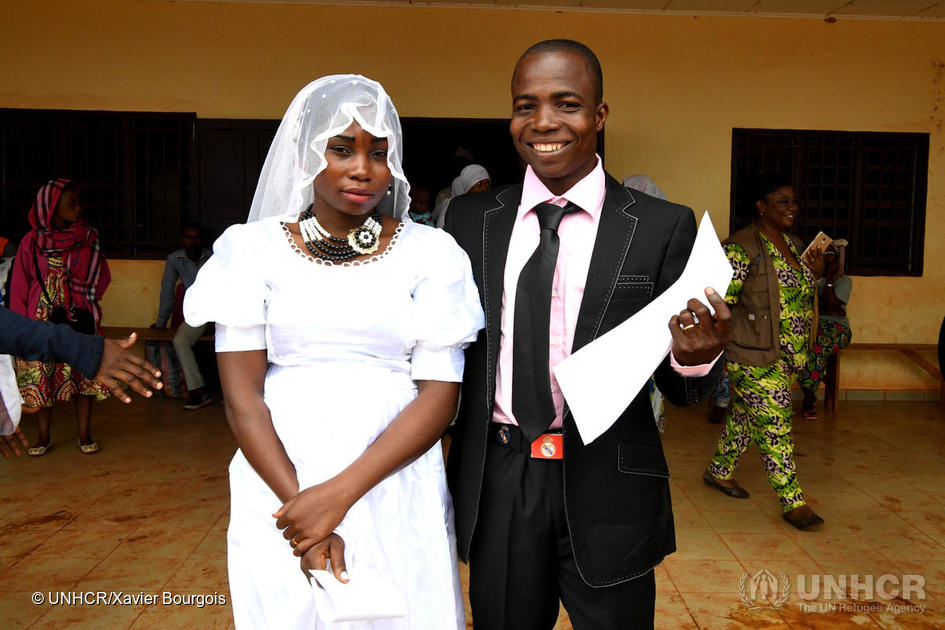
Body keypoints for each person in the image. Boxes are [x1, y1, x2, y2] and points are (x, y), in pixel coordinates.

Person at [444, 40, 730, 630]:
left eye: (566, 104)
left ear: (599, 115)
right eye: (527, 105)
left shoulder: (658, 226)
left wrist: (695, 360)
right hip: (499, 478)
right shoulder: (470, 221)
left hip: (611, 482)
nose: (544, 122)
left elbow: (682, 392)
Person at [184, 75, 483, 629]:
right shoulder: (250, 251)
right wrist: (306, 510)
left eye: (379, 153)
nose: (363, 169)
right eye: (341, 149)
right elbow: (243, 398)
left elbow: (439, 397)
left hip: (393, 473)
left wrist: (339, 496)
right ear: (305, 154)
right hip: (280, 476)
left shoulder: (432, 254)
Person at [703, 173, 826, 530]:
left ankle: (719, 471)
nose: (792, 208)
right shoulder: (741, 248)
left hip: (786, 354)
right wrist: (723, 351)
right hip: (751, 354)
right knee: (776, 426)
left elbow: (796, 293)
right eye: (782, 202)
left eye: (794, 201)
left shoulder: (795, 243)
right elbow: (720, 303)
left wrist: (816, 274)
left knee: (745, 415)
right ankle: (794, 502)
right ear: (761, 206)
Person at [9, 179, 111, 456]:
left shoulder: (89, 237)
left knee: (83, 372)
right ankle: (43, 436)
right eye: (71, 203)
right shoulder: (31, 242)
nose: (78, 208)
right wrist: (20, 327)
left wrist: (82, 303)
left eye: (79, 203)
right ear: (52, 207)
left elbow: (101, 277)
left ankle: (85, 433)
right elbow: (20, 284)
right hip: (40, 319)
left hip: (79, 317)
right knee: (43, 375)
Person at [0, 310, 163, 459]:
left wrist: (84, 350)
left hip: (72, 323)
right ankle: (44, 436)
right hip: (41, 323)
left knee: (82, 385)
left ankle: (84, 435)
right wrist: (85, 350)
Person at [151, 222, 213, 410]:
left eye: (196, 237)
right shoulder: (175, 259)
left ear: (202, 239)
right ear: (181, 239)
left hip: (220, 310)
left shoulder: (213, 256)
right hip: (198, 312)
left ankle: (234, 393)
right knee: (180, 340)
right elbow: (167, 291)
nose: (192, 241)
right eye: (188, 237)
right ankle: (198, 392)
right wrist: (161, 322)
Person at [798, 240, 852, 420]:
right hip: (815, 325)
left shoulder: (844, 281)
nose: (826, 259)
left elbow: (830, 304)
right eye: (824, 255)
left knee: (817, 348)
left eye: (831, 256)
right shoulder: (813, 278)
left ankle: (809, 398)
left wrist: (829, 279)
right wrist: (830, 306)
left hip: (837, 329)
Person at [435, 164, 491, 228]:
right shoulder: (450, 205)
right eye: (479, 184)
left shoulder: (489, 207)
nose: (484, 189)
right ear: (467, 186)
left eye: (487, 184)